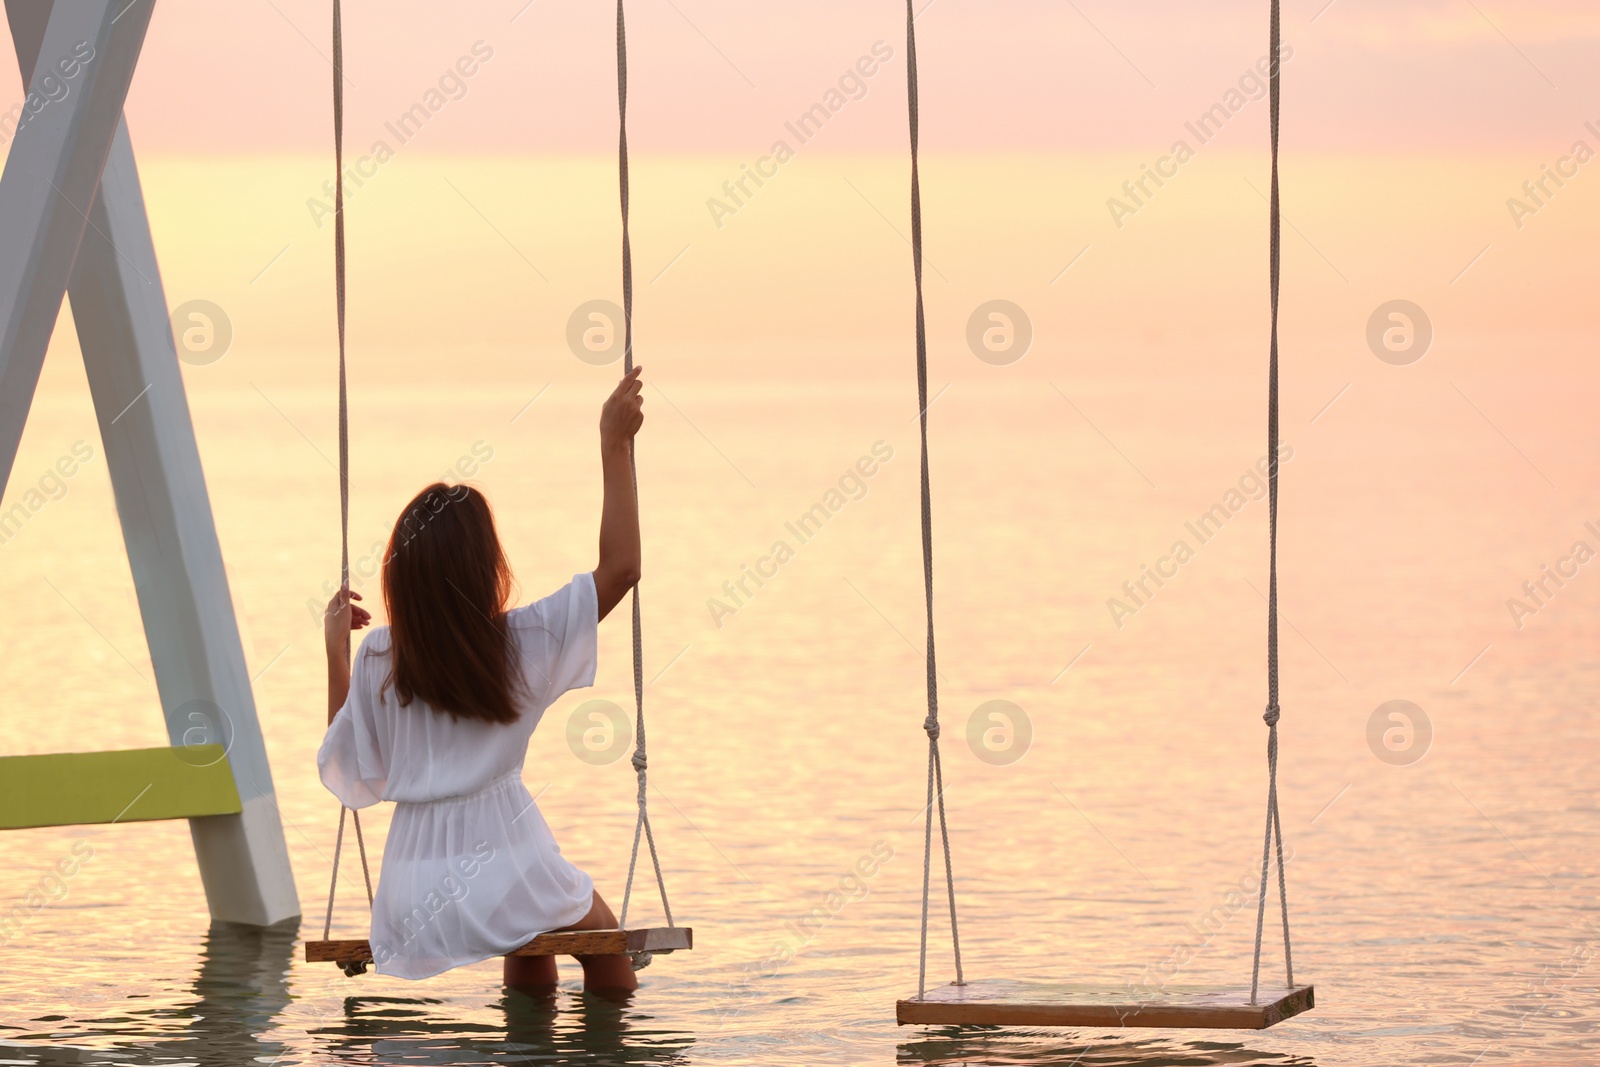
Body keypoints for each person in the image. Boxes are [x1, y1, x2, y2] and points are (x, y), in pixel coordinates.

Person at [318, 368, 646, 996]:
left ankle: (527, 1041)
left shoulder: (381, 656)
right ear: (485, 566)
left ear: (400, 576)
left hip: (408, 889)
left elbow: (350, 764)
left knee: (529, 938)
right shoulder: (522, 639)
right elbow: (623, 568)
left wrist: (336, 652)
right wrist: (614, 445)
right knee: (601, 937)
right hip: (505, 858)